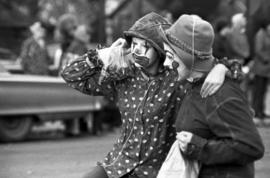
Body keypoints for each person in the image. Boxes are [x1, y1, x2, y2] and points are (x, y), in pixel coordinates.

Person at [61, 12, 239, 178]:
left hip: (158, 171)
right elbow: (70, 75)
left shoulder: (176, 78)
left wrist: (222, 68)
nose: (137, 51)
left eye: (145, 46)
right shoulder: (124, 76)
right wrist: (101, 55)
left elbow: (223, 67)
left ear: (160, 50)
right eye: (134, 44)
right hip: (117, 165)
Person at [160, 14, 264, 178]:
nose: (166, 63)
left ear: (190, 57)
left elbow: (251, 147)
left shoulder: (221, 93)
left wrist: (198, 147)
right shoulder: (193, 82)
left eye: (170, 56)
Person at [250, 23, 270, 122]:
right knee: (257, 91)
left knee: (263, 91)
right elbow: (258, 50)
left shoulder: (267, 34)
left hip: (266, 69)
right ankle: (255, 112)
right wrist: (266, 58)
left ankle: (261, 112)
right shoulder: (260, 34)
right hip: (260, 68)